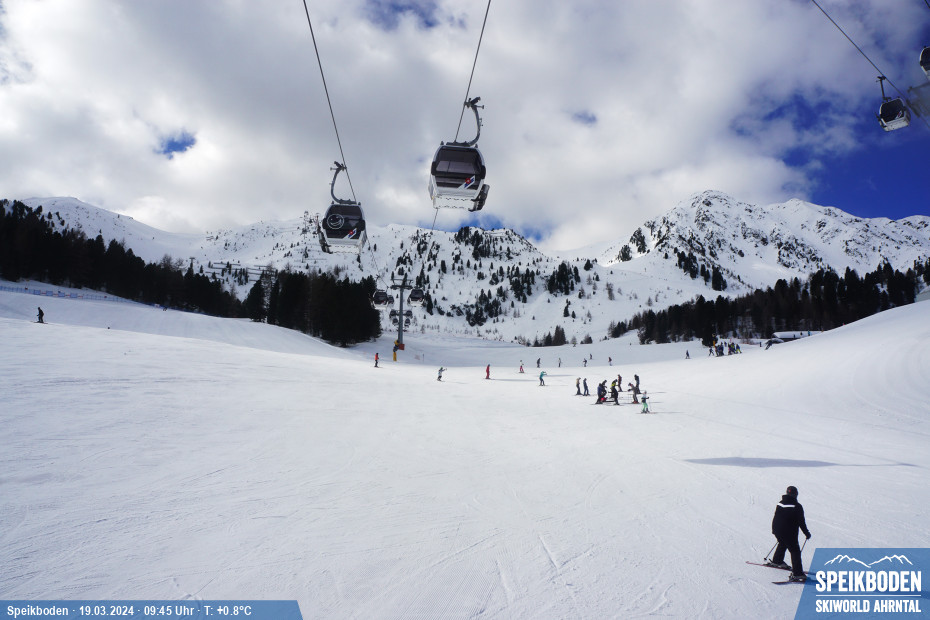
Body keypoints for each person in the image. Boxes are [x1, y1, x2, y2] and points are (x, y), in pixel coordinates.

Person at [767, 486, 811, 581]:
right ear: (796, 494)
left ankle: (777, 560)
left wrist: (775, 530)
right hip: (789, 532)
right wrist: (807, 533)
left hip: (777, 530)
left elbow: (776, 517)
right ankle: (798, 574)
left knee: (782, 543)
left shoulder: (780, 503)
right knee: (795, 551)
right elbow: (801, 522)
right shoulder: (797, 506)